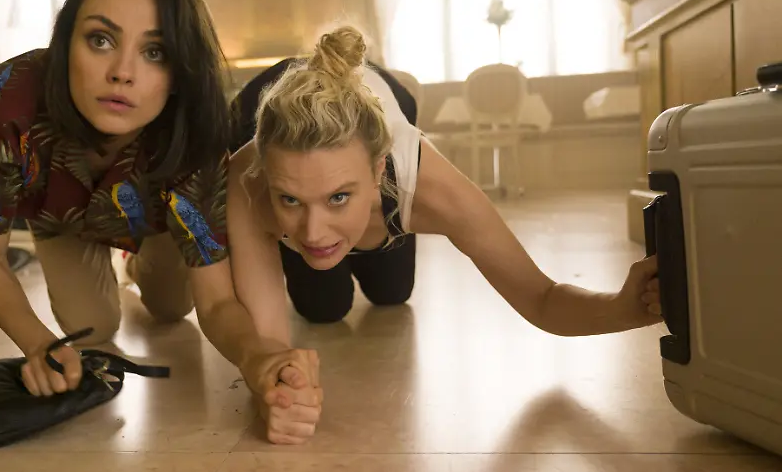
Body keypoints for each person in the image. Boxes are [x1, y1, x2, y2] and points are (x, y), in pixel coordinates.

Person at [223, 25, 663, 444]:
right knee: (324, 308)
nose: (314, 232)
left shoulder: (430, 188)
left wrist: (621, 309)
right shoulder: (247, 182)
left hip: (387, 118)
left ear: (378, 170)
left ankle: (357, 217)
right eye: (290, 200)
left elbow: (541, 299)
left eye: (338, 197)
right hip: (262, 105)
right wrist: (276, 388)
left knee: (393, 292)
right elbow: (267, 349)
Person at [0, 0, 315, 408]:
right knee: (92, 328)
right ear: (65, 42)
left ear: (180, 71)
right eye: (100, 40)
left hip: (160, 219)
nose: (122, 72)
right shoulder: (6, 98)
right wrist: (39, 344)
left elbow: (215, 303)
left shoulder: (196, 132)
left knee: (172, 308)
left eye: (155, 52)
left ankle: (138, 265)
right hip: (61, 220)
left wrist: (257, 357)